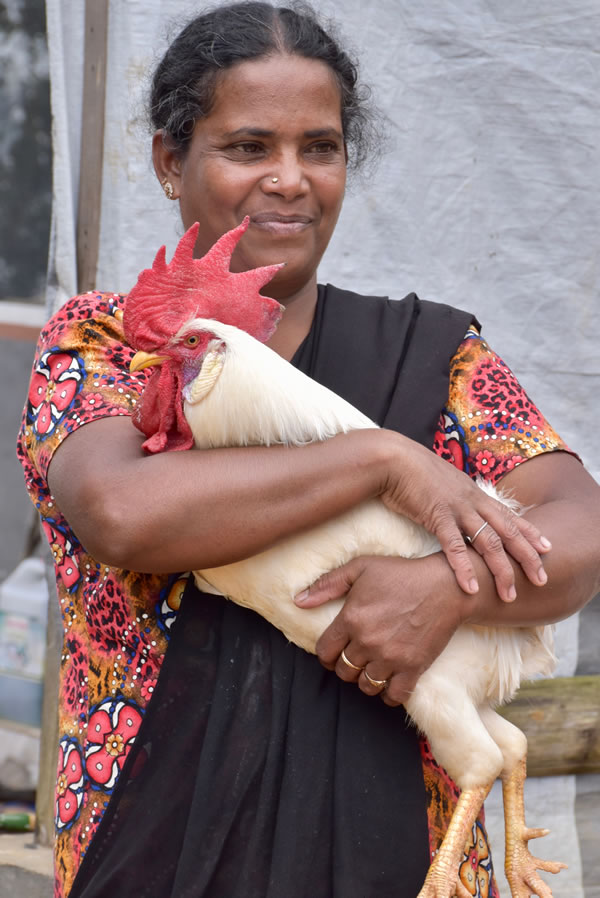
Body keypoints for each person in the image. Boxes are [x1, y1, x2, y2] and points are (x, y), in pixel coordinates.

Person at [17, 3, 600, 896]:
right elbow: (125, 514)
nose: (289, 179)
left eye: (319, 148)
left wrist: (445, 588)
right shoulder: (109, 343)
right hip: (156, 845)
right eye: (248, 147)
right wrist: (384, 460)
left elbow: (580, 529)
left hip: (409, 860)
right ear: (172, 162)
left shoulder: (434, 356)